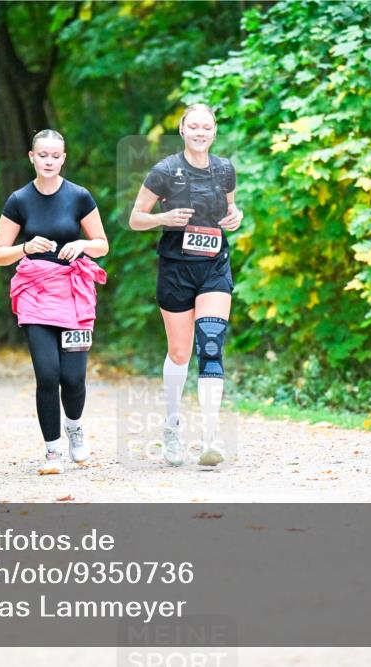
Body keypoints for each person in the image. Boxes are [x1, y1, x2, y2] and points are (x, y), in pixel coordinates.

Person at [129, 104, 244, 467]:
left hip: (213, 267)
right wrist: (163, 217)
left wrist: (236, 218)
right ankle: (172, 427)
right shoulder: (164, 171)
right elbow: (135, 219)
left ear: (214, 131)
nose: (199, 132)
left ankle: (210, 437)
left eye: (206, 126)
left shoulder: (225, 169)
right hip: (176, 269)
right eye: (193, 126)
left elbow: (230, 212)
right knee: (180, 353)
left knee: (211, 341)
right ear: (182, 130)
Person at [0, 129, 109, 475]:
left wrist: (83, 246)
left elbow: (102, 243)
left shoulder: (79, 197)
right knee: (47, 374)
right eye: (43, 155)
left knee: (73, 379)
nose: (49, 161)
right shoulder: (19, 200)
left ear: (64, 158)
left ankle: (74, 427)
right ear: (32, 157)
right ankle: (52, 450)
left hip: (74, 295)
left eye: (55, 156)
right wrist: (26, 248)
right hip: (35, 294)